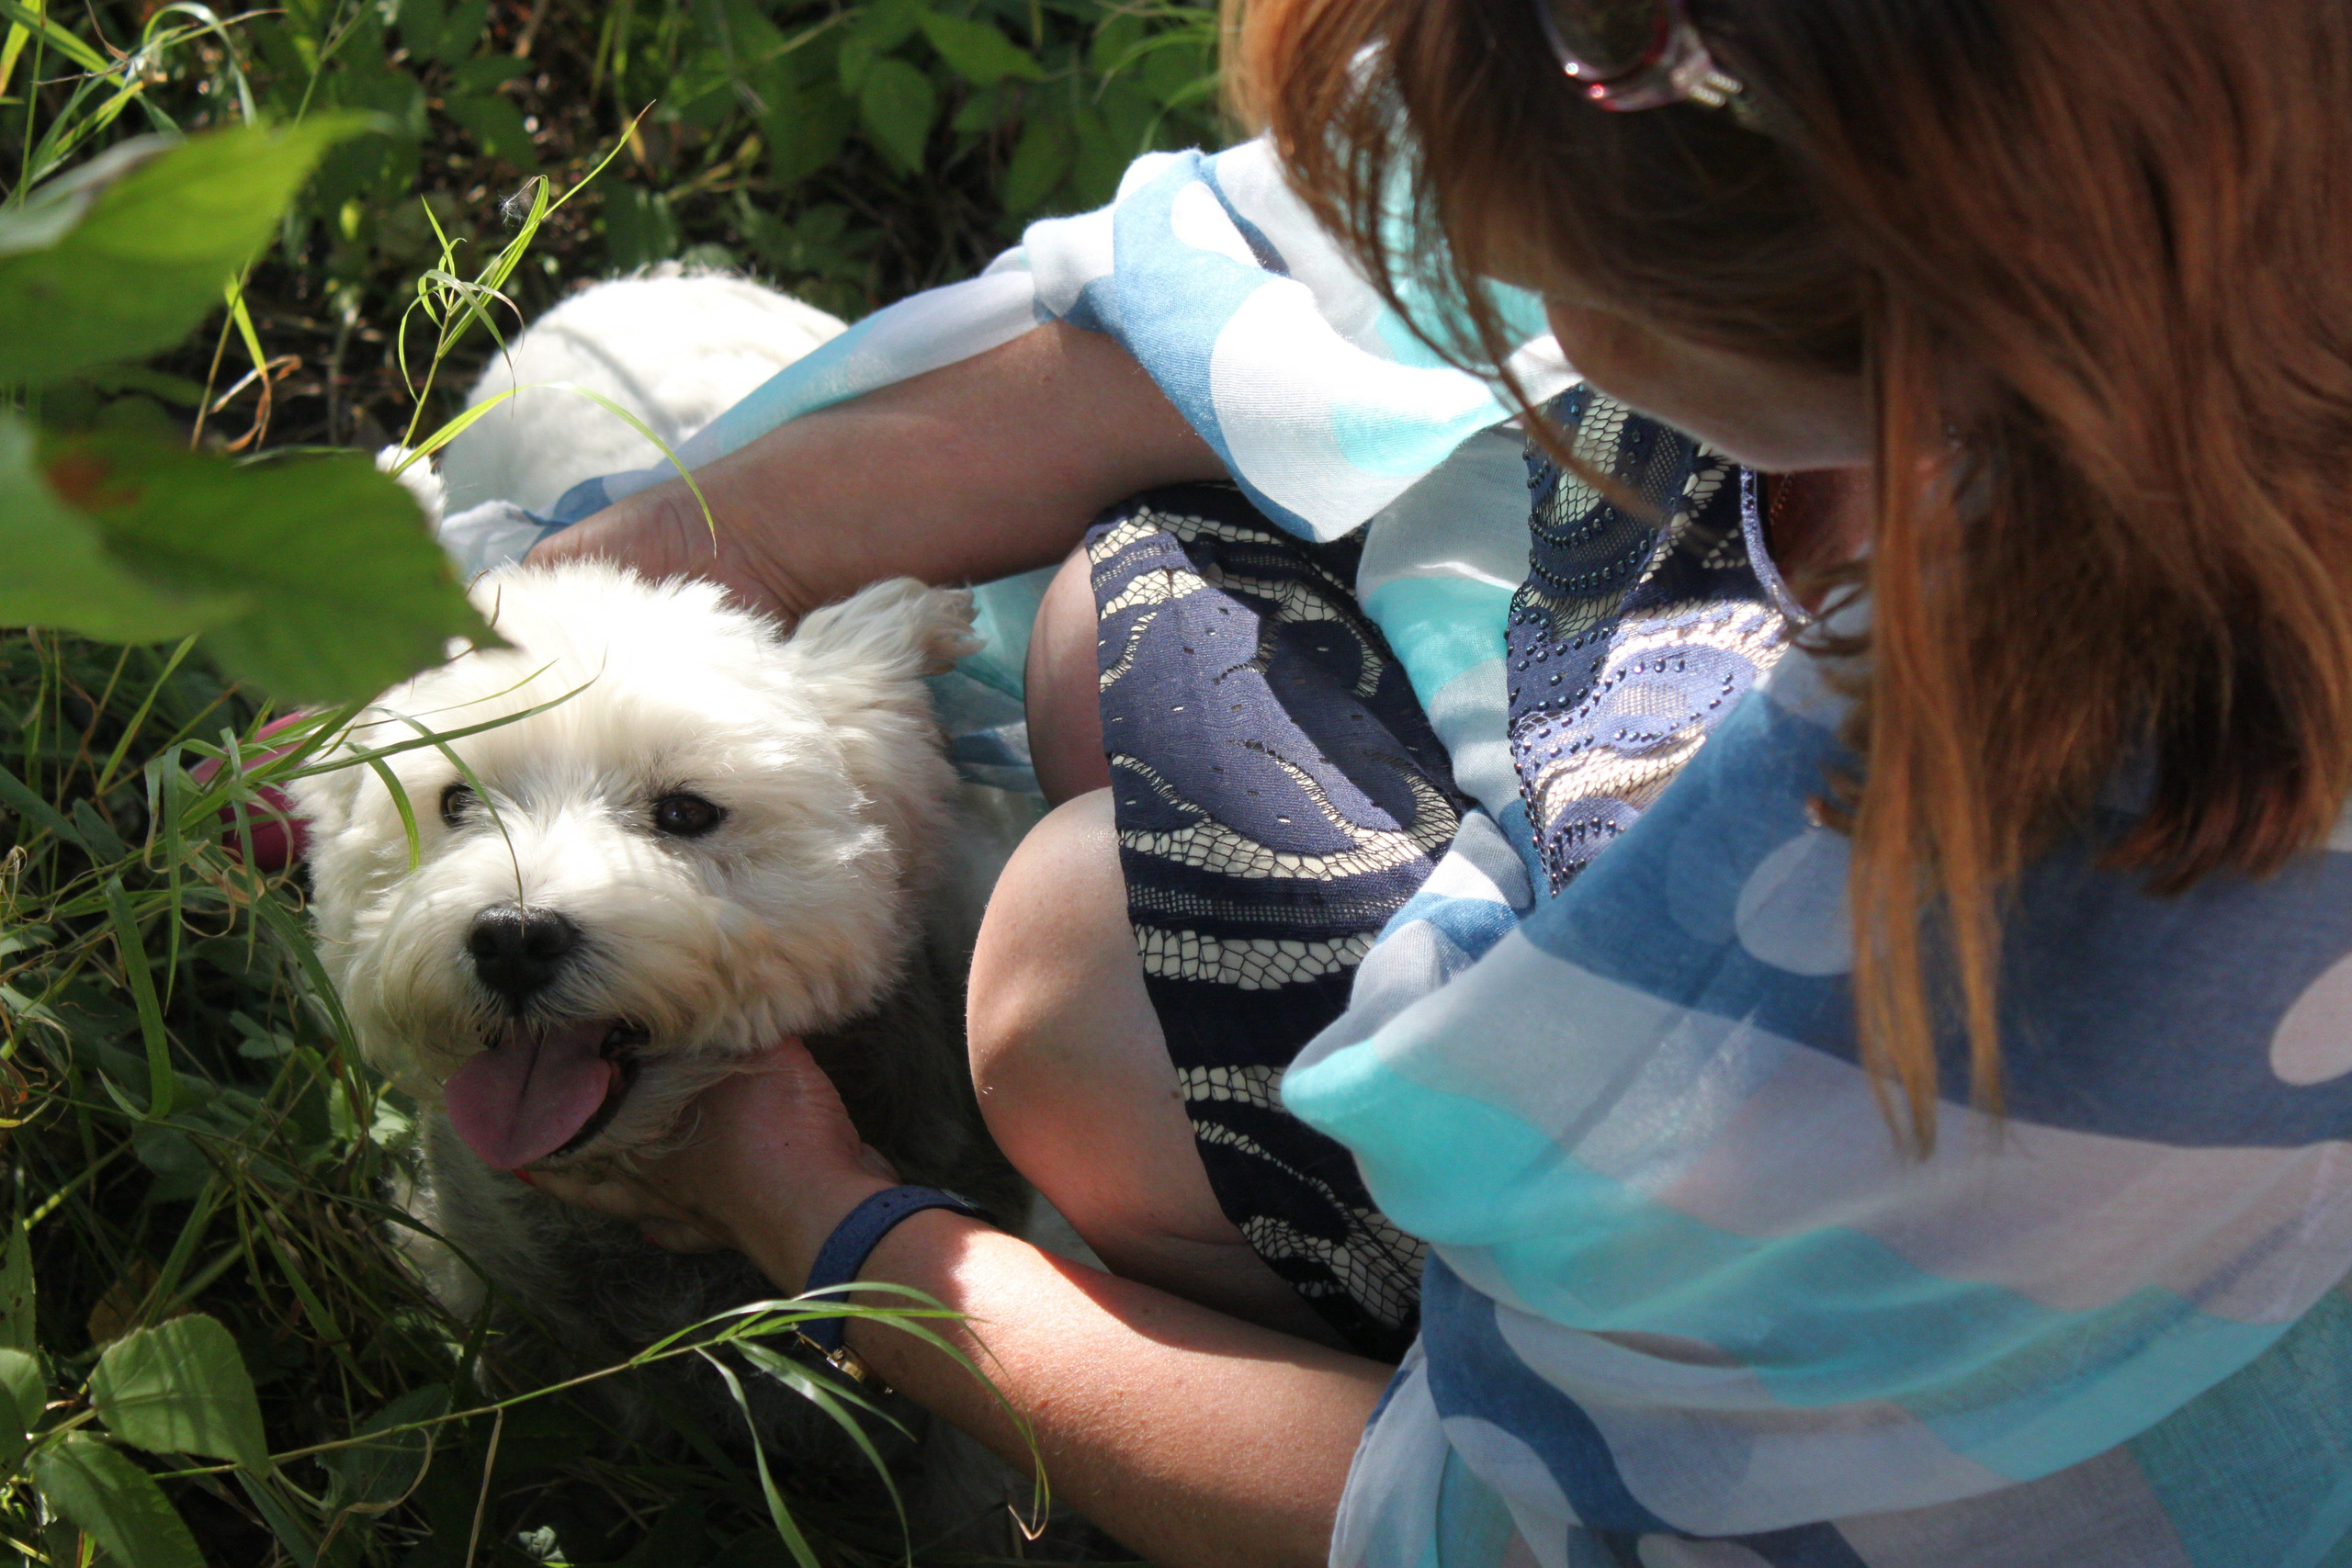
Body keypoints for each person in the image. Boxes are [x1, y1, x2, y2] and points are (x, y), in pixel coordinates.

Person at [526, 1, 2352, 1563]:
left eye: (1530, 269)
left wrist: (839, 1227)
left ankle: (1228, 1261)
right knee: (1118, 605)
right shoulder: (2149, 161)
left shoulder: (1976, 971)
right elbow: (1285, 286)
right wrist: (634, 560)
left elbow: (1463, 1523)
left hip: (1876, 1325)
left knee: (1064, 987)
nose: (1471, 287)